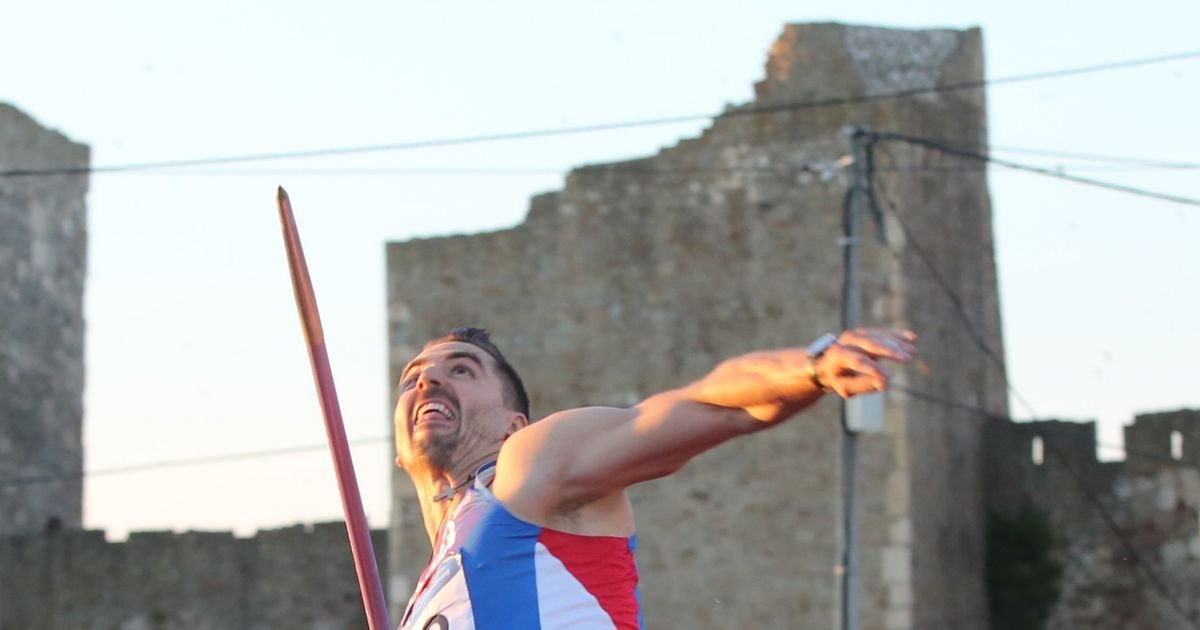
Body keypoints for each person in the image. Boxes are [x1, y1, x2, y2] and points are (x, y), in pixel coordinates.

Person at [394, 326, 916, 629]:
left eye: (461, 369)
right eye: (412, 377)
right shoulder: (430, 591)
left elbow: (708, 404)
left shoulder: (527, 468)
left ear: (515, 425)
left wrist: (811, 367)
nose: (430, 379)